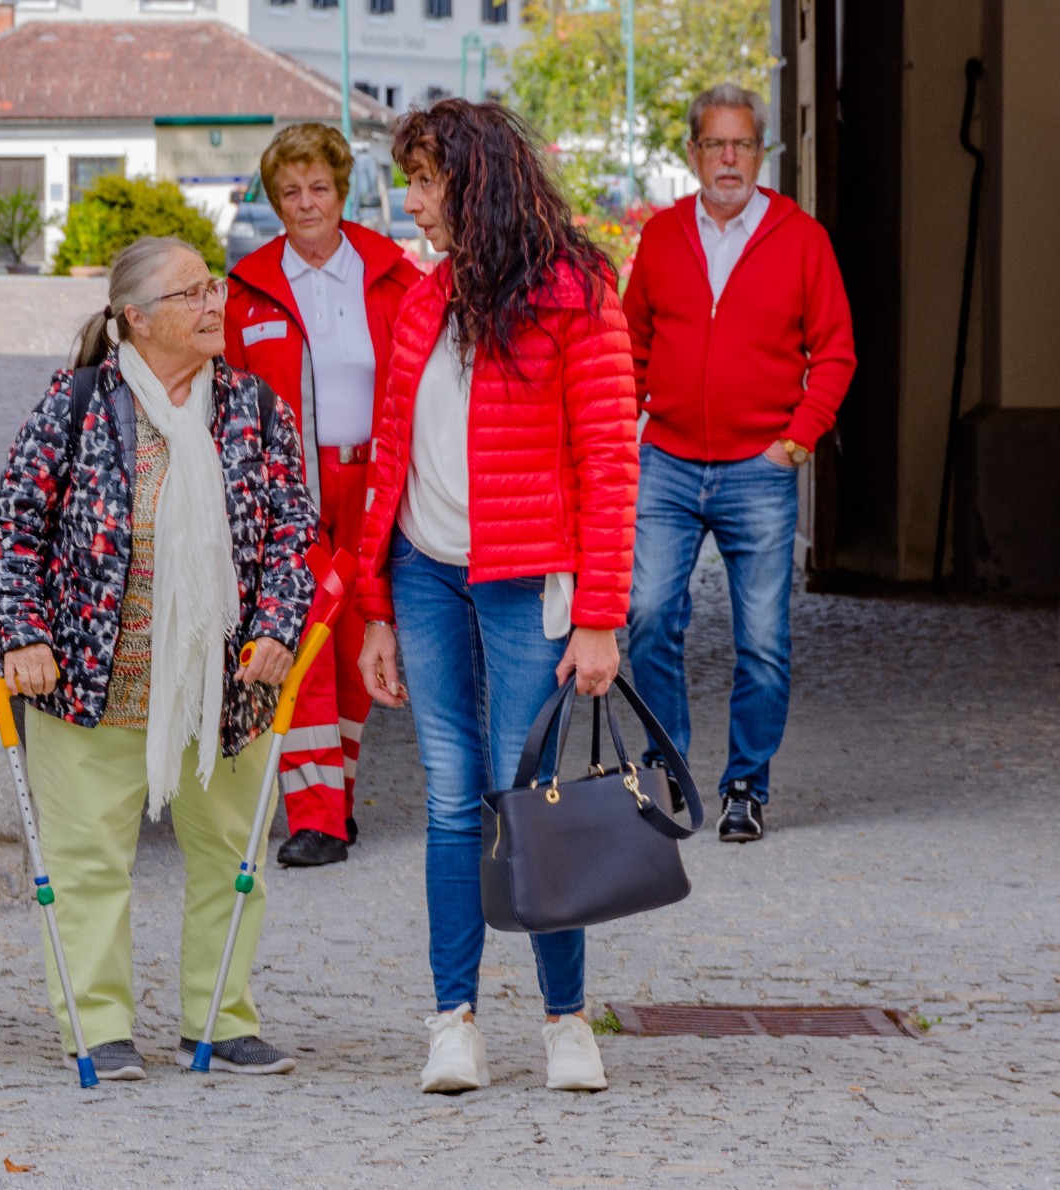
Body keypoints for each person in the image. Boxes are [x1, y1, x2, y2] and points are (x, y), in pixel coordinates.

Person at [0, 236, 317, 1081]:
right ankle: (98, 1026)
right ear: (135, 317)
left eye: (214, 288)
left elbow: (293, 533)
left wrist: (279, 625)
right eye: (190, 294)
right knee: (87, 864)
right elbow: (12, 527)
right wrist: (23, 633)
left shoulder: (255, 407)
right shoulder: (76, 403)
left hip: (222, 685)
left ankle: (222, 1020)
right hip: (89, 681)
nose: (213, 305)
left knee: (233, 863)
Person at [355, 100, 639, 1095]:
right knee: (449, 795)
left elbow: (610, 462)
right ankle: (455, 1022)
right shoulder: (423, 298)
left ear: (475, 182)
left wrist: (599, 615)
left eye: (425, 181)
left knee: (530, 801)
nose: (412, 202)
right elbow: (391, 456)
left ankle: (567, 1021)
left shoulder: (576, 294)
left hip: (528, 579)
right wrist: (377, 606)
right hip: (426, 572)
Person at [622, 84, 856, 844]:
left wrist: (796, 440)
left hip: (759, 468)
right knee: (648, 616)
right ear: (693, 153)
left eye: (743, 144)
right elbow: (631, 345)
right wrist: (625, 430)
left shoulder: (802, 239)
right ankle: (667, 768)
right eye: (715, 144)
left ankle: (746, 786)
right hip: (668, 461)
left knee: (762, 640)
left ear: (762, 153)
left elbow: (836, 353)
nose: (729, 158)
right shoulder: (662, 236)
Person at [224, 123, 423, 868]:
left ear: (342, 192)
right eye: (290, 192)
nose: (305, 203)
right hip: (289, 493)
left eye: (318, 188)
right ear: (274, 202)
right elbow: (230, 404)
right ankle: (316, 819)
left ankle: (335, 797)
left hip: (375, 485)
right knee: (300, 637)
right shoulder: (247, 292)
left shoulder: (394, 277)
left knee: (357, 643)